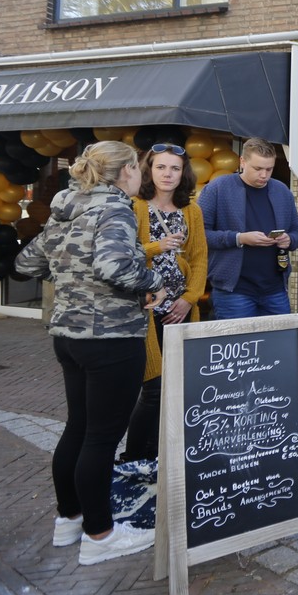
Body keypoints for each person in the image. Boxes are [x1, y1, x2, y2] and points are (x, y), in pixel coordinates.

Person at [14, 141, 166, 565]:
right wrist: (154, 282)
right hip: (110, 338)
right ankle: (100, 535)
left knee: (79, 429)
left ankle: (69, 520)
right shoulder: (115, 209)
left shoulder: (65, 208)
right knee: (101, 437)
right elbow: (114, 267)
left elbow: (26, 264)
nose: (142, 175)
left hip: (69, 335)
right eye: (139, 168)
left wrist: (71, 275)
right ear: (126, 171)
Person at [122, 143, 207, 462]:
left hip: (180, 310)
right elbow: (122, 256)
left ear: (184, 173)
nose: (168, 174)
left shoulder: (191, 210)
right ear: (149, 170)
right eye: (161, 167)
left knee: (178, 386)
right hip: (144, 310)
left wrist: (189, 299)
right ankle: (133, 458)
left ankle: (160, 454)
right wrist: (156, 246)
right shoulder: (134, 206)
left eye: (175, 168)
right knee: (154, 388)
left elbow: (199, 258)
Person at [198, 137, 298, 319]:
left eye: (269, 169)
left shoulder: (281, 191)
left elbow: (297, 231)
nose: (264, 175)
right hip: (233, 291)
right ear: (242, 162)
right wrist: (239, 238)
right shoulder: (218, 188)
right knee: (238, 338)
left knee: (278, 338)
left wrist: (289, 240)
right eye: (258, 168)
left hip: (275, 289)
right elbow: (199, 235)